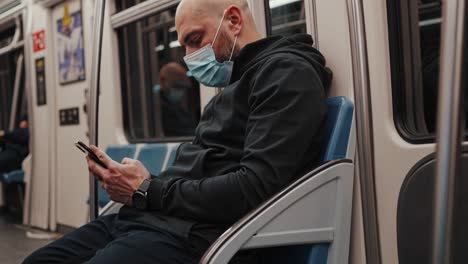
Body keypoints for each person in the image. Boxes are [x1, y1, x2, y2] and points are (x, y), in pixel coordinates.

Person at [24, 0, 331, 263]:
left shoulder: (286, 74)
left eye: (195, 39)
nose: (187, 55)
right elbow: (204, 171)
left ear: (233, 20)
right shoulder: (234, 84)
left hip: (195, 236)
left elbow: (252, 188)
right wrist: (138, 185)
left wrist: (146, 189)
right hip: (150, 221)